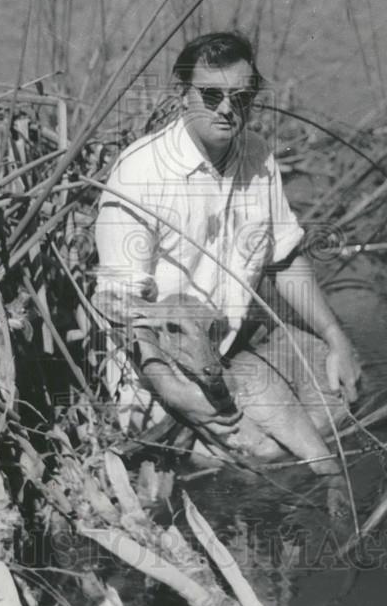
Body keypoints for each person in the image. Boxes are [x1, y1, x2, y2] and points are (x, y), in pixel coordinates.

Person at [94, 31, 360, 432]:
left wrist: (335, 335)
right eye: (211, 95)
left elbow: (283, 260)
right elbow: (122, 309)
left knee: (345, 388)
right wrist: (173, 392)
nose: (226, 110)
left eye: (240, 98)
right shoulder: (139, 173)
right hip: (155, 372)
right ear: (183, 95)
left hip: (226, 352)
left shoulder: (257, 156)